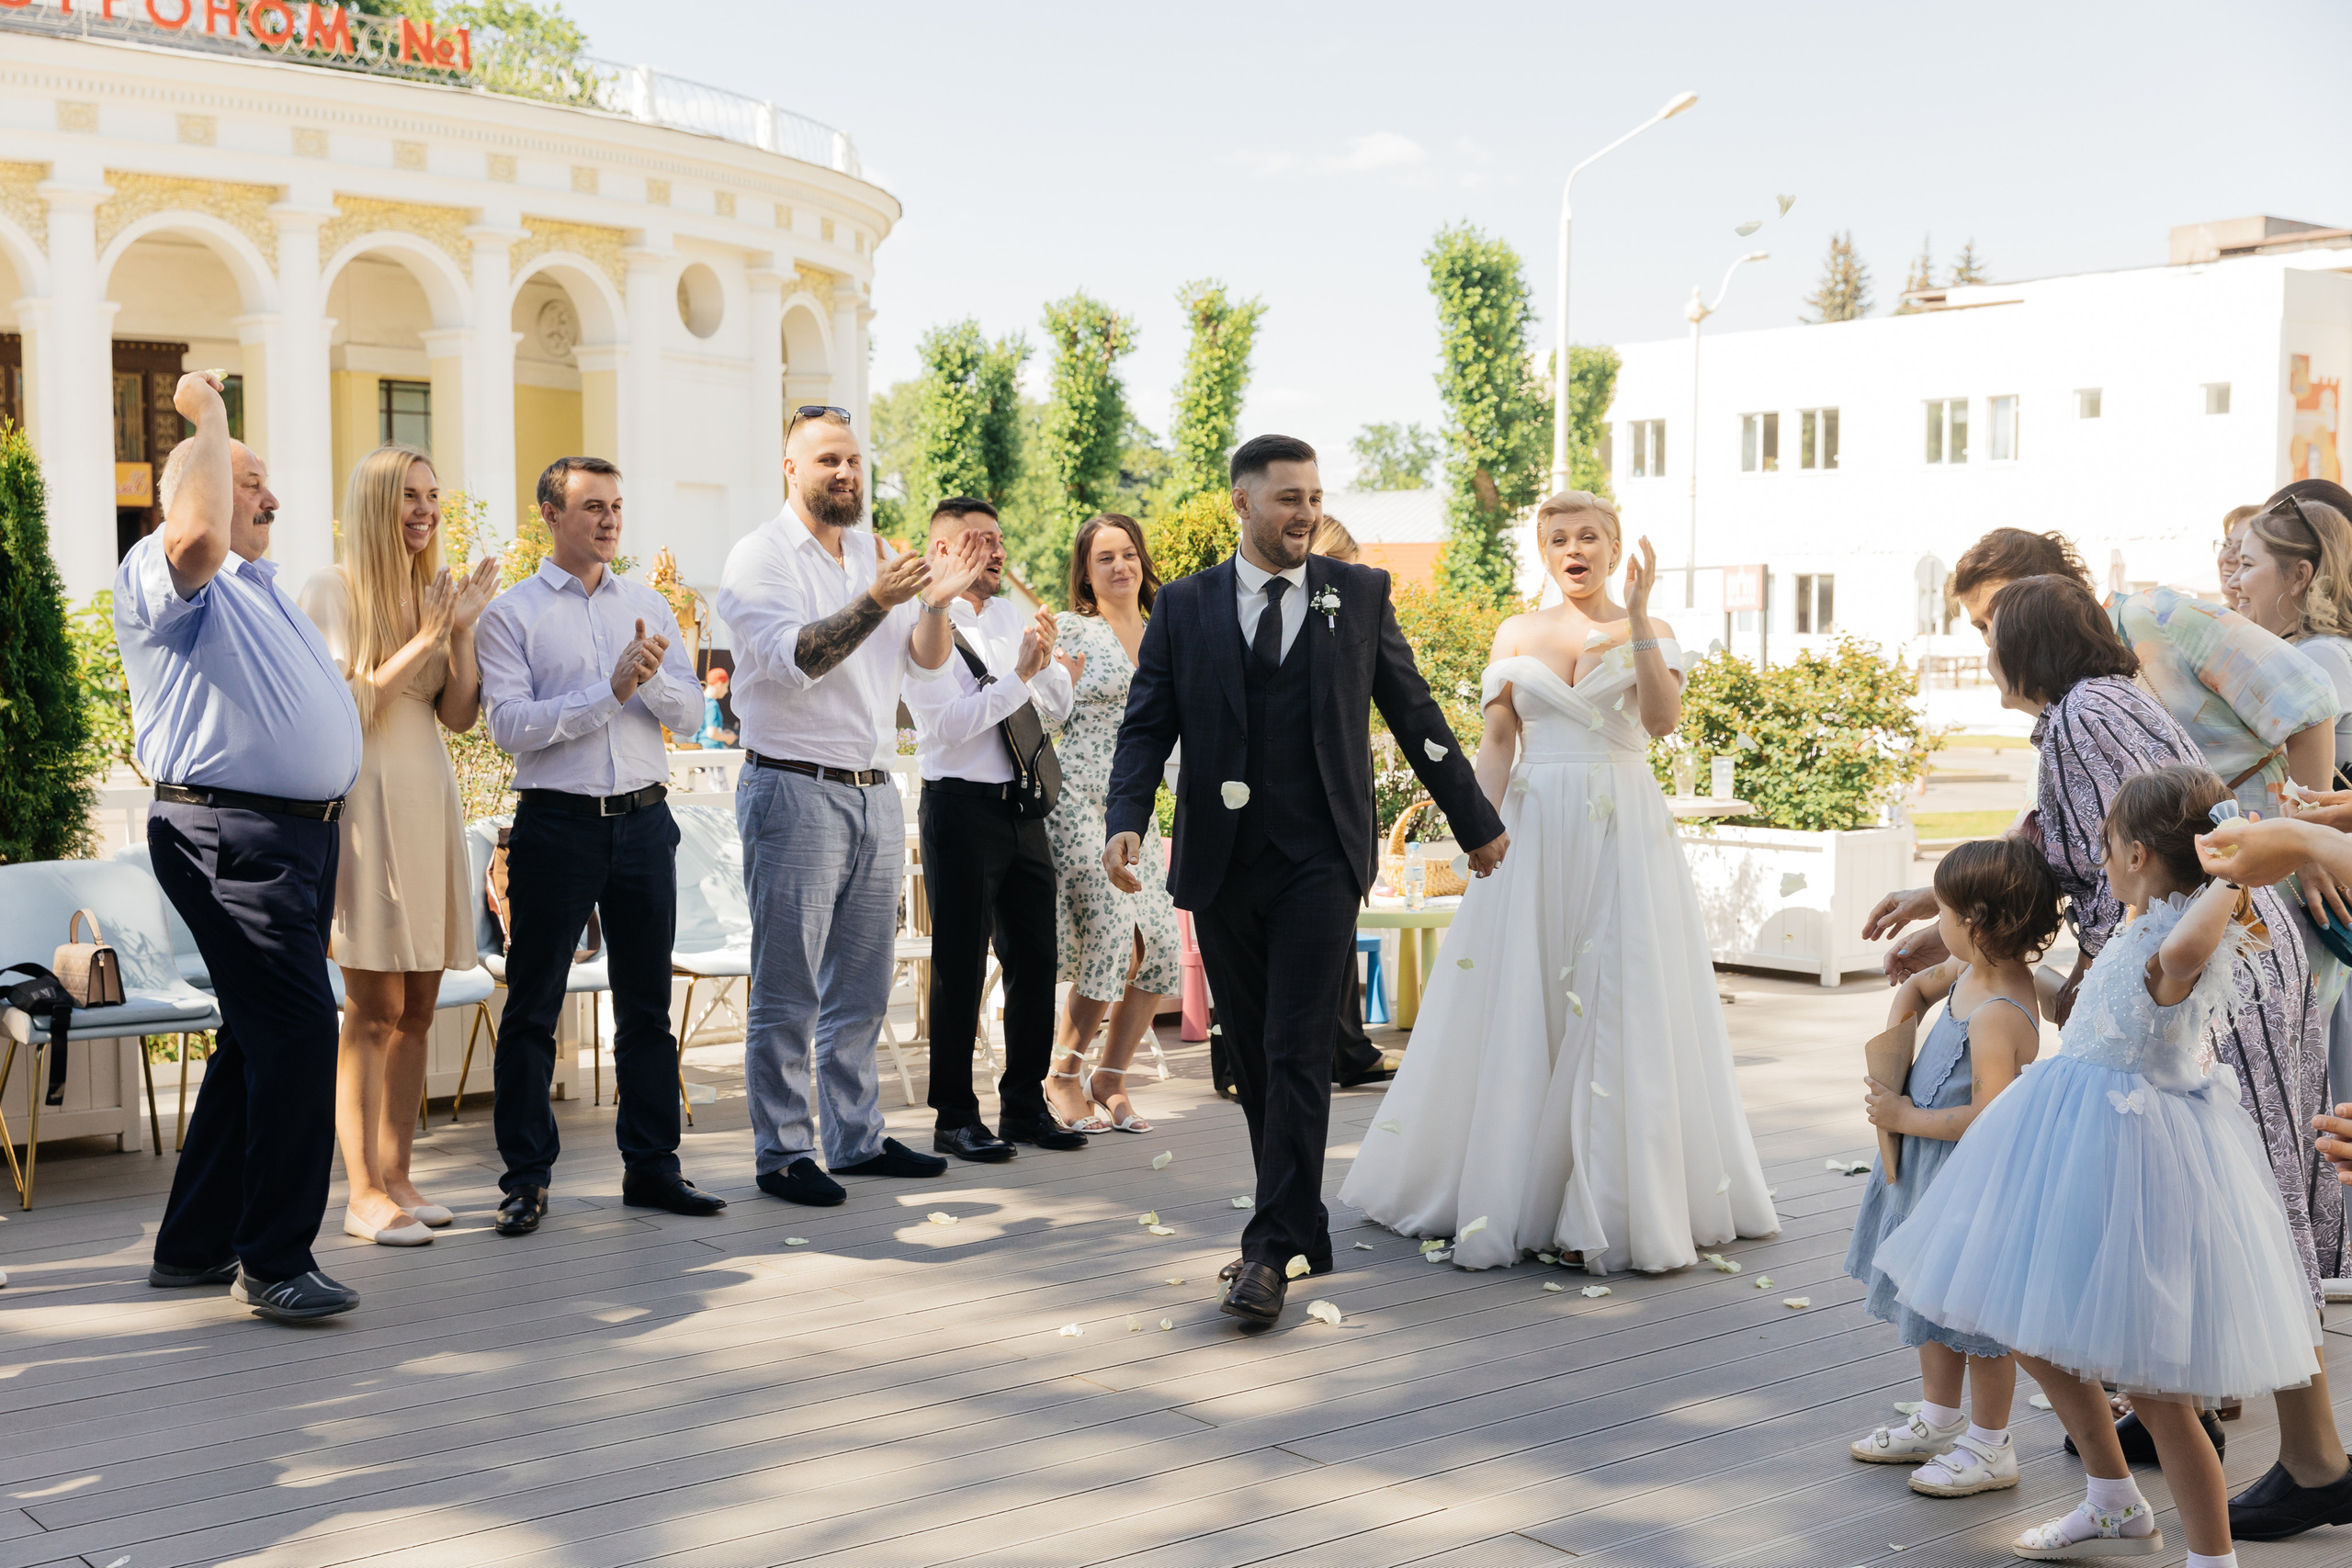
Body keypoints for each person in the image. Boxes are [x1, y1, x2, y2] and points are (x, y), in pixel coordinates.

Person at [1865, 574, 2352, 1541]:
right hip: (2104, 1082)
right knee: (2053, 1317)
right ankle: (2123, 1488)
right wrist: (1977, 937)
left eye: (1984, 630)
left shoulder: (2099, 738)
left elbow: (2174, 890)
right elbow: (2078, 877)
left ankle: (2251, 1493)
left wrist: (2244, 866)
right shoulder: (2122, 852)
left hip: (2145, 1108)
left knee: (2159, 1337)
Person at [1104, 434, 1506, 1328]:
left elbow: (1414, 712)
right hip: (1220, 861)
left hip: (1322, 857)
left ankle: (1265, 1249)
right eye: (1287, 498)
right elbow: (1146, 726)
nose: (1305, 512)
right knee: (1249, 1056)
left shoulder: (1355, 594)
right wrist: (1125, 817)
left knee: (1293, 1049)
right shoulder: (1187, 606)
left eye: (1314, 496)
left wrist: (1474, 822)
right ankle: (1302, 1221)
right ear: (1240, 506)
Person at [1338, 491, 1778, 1275]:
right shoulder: (1516, 632)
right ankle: (1520, 1191)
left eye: (1587, 536)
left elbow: (1664, 719)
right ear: (1543, 551)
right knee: (1524, 992)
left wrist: (1640, 616)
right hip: (1534, 829)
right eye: (1557, 539)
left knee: (1621, 995)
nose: (1573, 549)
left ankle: (1607, 1202)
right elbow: (1498, 741)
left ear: (1614, 545)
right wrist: (1479, 827)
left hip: (1622, 828)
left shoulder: (1653, 628)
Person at [124, 371, 365, 1323]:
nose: (271, 497)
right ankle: (273, 1259)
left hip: (293, 842)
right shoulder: (167, 571)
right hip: (230, 833)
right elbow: (194, 535)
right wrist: (211, 424)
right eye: (247, 479)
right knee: (304, 1032)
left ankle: (193, 1245)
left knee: (255, 1041)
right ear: (194, 488)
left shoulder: (255, 588)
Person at [713, 406, 986, 1205]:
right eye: (828, 459)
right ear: (790, 470)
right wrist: (877, 597)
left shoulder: (876, 552)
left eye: (855, 460)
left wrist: (934, 602)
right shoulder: (758, 556)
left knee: (863, 985)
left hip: (873, 790)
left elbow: (926, 668)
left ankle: (856, 1137)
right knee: (789, 986)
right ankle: (784, 1150)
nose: (846, 474)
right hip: (793, 787)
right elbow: (797, 659)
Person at [473, 456, 728, 1236]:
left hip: (646, 823)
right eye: (591, 506)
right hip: (557, 824)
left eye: (616, 505)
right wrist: (607, 691)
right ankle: (525, 1179)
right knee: (532, 1008)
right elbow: (508, 727)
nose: (609, 519)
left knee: (647, 1007)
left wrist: (647, 679)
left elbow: (688, 716)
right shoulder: (510, 615)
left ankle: (653, 1167)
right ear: (550, 514)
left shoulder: (648, 604)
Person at [297, 445, 498, 1247]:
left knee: (417, 1004)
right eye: (409, 496)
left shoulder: (430, 590)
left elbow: (456, 713)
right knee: (370, 1005)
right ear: (376, 503)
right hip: (367, 805)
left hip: (427, 797)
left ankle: (400, 1172)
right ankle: (362, 1192)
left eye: (433, 497)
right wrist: (427, 634)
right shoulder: (330, 588)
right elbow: (343, 703)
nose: (425, 511)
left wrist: (465, 630)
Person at [1844, 840, 2055, 1499]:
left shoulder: (1998, 1012)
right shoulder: (1971, 973)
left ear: (1981, 924)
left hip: (1970, 1182)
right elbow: (1921, 984)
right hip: (1933, 1173)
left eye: (1945, 915)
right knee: (1930, 1298)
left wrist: (1905, 1116)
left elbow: (1989, 1115)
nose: (1936, 929)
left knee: (1978, 1319)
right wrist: (1904, 1008)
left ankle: (1991, 1444)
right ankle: (1938, 1419)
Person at [901, 497, 1083, 1160]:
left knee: (1036, 958)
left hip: (1022, 804)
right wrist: (1023, 675)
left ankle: (1024, 1105)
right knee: (958, 961)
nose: (997, 552)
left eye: (999, 539)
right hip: (959, 807)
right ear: (943, 551)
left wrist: (1049, 667)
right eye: (979, 541)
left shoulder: (1010, 616)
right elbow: (947, 725)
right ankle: (953, 1114)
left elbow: (1049, 710)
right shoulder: (926, 622)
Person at [1041, 513, 1183, 1135]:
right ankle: (1062, 1075)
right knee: (1112, 935)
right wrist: (1052, 674)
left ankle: (1111, 1078)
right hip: (1076, 797)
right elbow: (1043, 713)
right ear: (1086, 571)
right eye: (1106, 558)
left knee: (1162, 944)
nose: (1120, 566)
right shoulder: (1071, 630)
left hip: (1137, 807)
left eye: (1129, 554)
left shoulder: (1164, 632)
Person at [1307, 513, 1394, 1090]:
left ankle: (1348, 1048)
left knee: (1336, 942)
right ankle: (1341, 1050)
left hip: (1341, 806)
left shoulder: (1355, 612)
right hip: (1299, 806)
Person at [694, 666, 737, 749]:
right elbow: (712, 733)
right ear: (719, 685)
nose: (726, 691)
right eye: (726, 686)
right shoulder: (712, 705)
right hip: (712, 750)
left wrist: (722, 732)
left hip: (699, 746)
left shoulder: (699, 701)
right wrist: (729, 737)